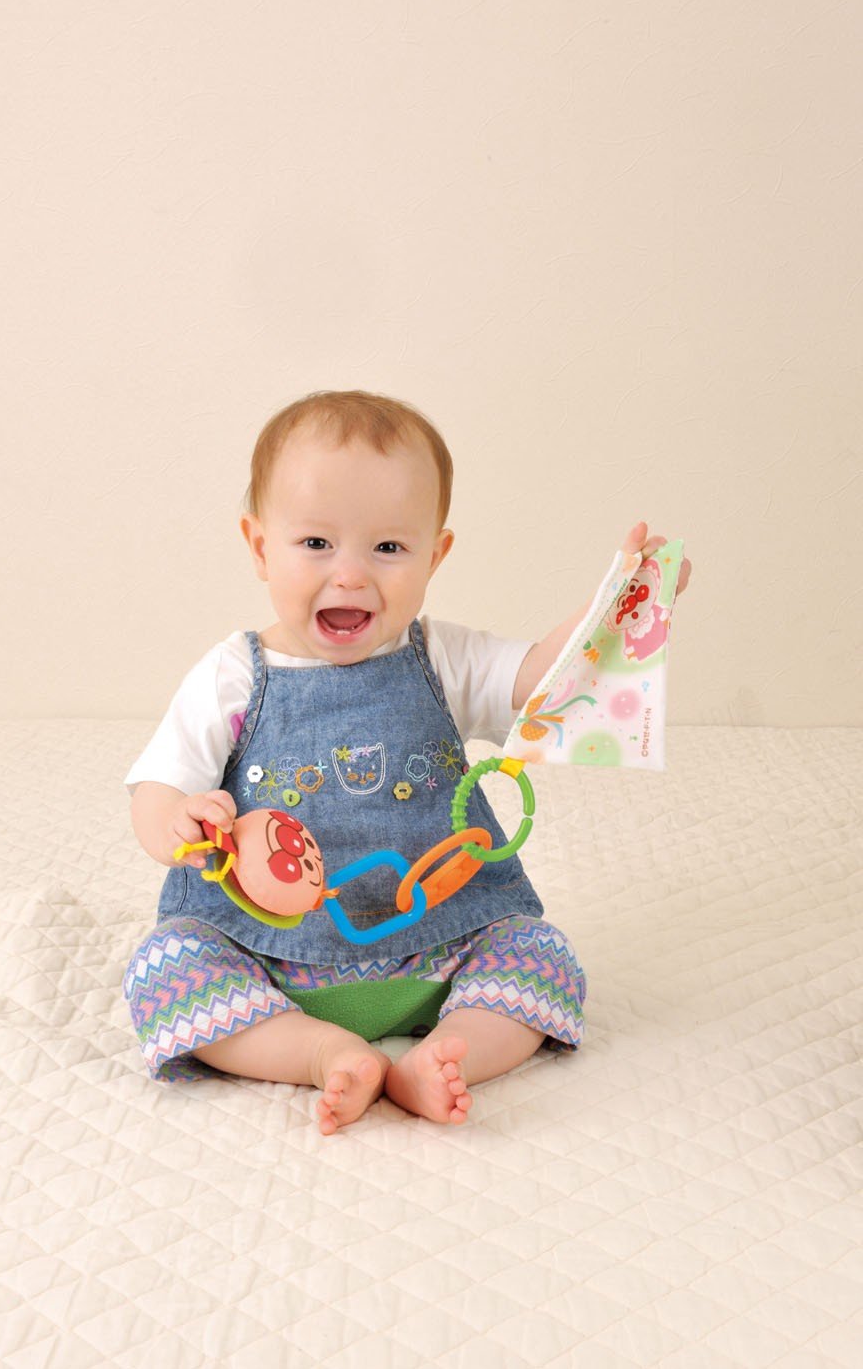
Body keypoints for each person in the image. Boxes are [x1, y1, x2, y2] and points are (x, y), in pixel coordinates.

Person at [123, 391, 692, 1134]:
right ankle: (316, 1051)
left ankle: (447, 1054)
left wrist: (613, 610)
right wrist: (178, 819)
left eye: (388, 548)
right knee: (166, 964)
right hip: (266, 955)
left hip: (441, 946)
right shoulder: (232, 675)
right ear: (259, 547)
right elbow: (157, 786)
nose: (351, 575)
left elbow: (540, 682)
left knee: (540, 952)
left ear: (435, 555)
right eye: (316, 543)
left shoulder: (441, 657)